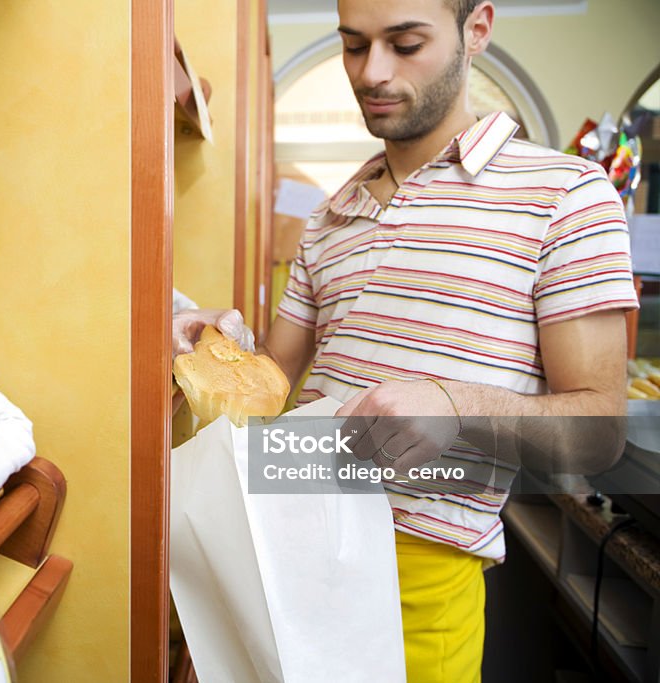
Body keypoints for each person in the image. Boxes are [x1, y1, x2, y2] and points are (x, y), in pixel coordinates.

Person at [173, 0, 639, 680]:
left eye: (405, 43)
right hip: (279, 558)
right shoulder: (331, 213)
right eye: (355, 46)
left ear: (477, 28)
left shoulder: (566, 193)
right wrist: (216, 342)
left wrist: (457, 407)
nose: (373, 72)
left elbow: (600, 430)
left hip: (417, 591)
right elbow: (272, 382)